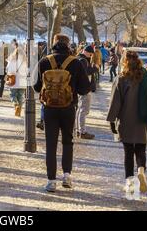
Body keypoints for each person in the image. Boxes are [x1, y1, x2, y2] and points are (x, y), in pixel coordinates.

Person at [34, 34, 91, 192]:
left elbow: (37, 87)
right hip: (68, 108)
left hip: (49, 109)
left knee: (50, 145)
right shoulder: (75, 63)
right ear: (68, 45)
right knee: (67, 142)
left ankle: (51, 180)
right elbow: (84, 89)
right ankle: (67, 175)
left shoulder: (45, 61)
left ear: (53, 43)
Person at [107, 50, 147, 195]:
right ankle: (141, 169)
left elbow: (116, 101)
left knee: (128, 152)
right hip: (144, 118)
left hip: (127, 119)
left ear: (124, 61)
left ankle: (130, 184)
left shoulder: (122, 77)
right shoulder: (145, 75)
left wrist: (111, 121)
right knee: (141, 149)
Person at [76, 46, 99, 139]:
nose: (91, 56)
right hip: (84, 88)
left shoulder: (79, 58)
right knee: (83, 110)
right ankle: (82, 131)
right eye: (90, 54)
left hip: (81, 88)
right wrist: (95, 68)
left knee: (80, 109)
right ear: (86, 52)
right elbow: (86, 72)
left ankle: (78, 130)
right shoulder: (83, 60)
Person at [6, 43, 28, 117]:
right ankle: (20, 110)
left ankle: (16, 105)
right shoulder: (25, 61)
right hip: (22, 81)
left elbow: (8, 69)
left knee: (13, 94)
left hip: (13, 80)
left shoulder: (12, 60)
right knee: (20, 96)